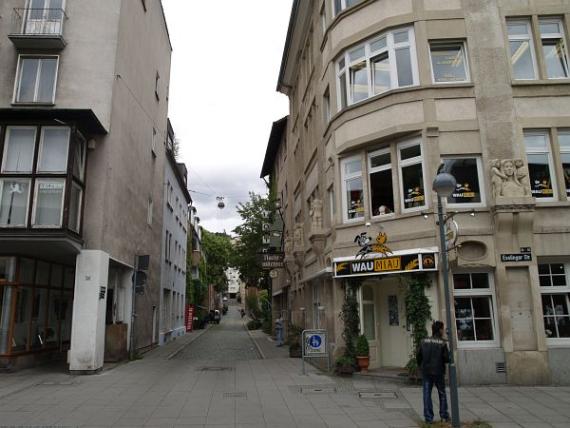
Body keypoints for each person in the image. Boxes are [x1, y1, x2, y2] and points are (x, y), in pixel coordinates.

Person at [417, 320, 450, 424]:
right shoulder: (443, 343)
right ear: (440, 330)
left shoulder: (423, 341)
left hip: (426, 371)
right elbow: (447, 358)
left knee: (426, 394)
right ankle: (444, 415)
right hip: (439, 371)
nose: (444, 331)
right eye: (443, 329)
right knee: (442, 393)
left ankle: (428, 418)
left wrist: (421, 366)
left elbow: (418, 356)